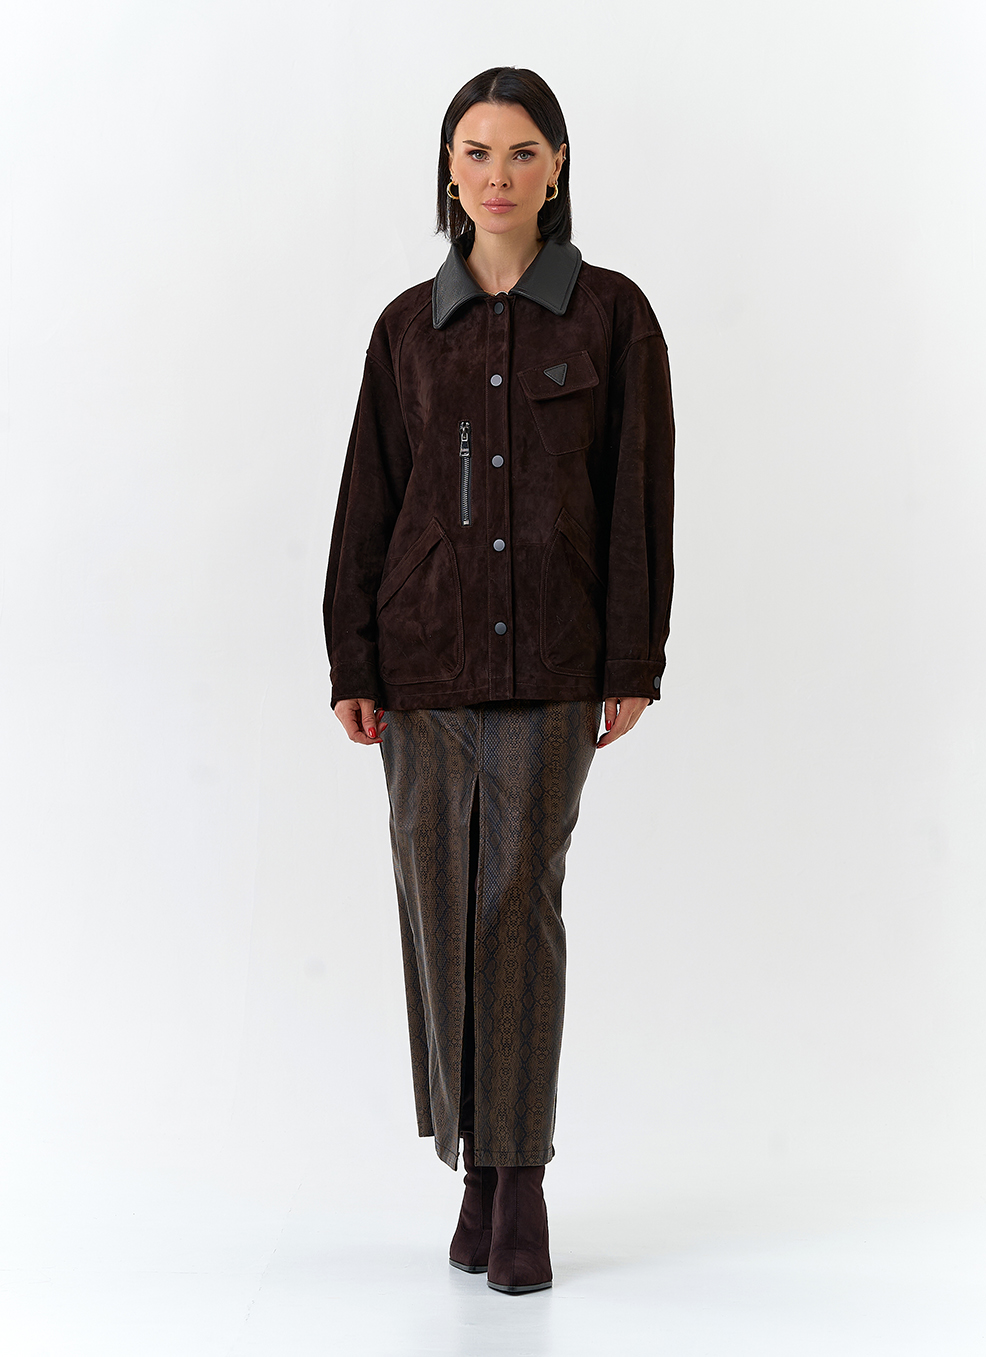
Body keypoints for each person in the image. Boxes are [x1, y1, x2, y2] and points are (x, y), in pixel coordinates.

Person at [322, 66, 675, 1295]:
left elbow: (636, 495)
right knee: (436, 906)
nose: (497, 175)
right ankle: (471, 1166)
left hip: (553, 661)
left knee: (515, 903)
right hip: (420, 663)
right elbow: (369, 498)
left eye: (522, 152)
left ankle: (518, 1182)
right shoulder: (404, 329)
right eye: (474, 153)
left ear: (557, 166)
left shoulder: (611, 316)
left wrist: (631, 658)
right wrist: (352, 657)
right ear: (448, 170)